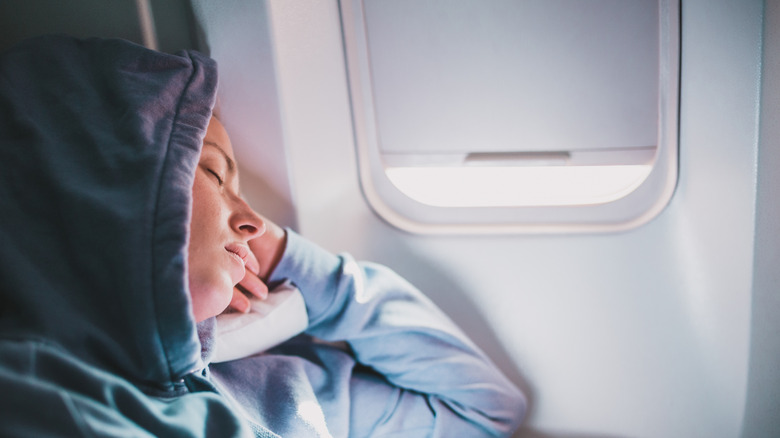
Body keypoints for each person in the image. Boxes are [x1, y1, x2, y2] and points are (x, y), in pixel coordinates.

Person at [0, 35, 526, 437]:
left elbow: (480, 408)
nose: (252, 222)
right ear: (95, 193)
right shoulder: (36, 392)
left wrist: (290, 259)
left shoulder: (279, 386)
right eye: (212, 173)